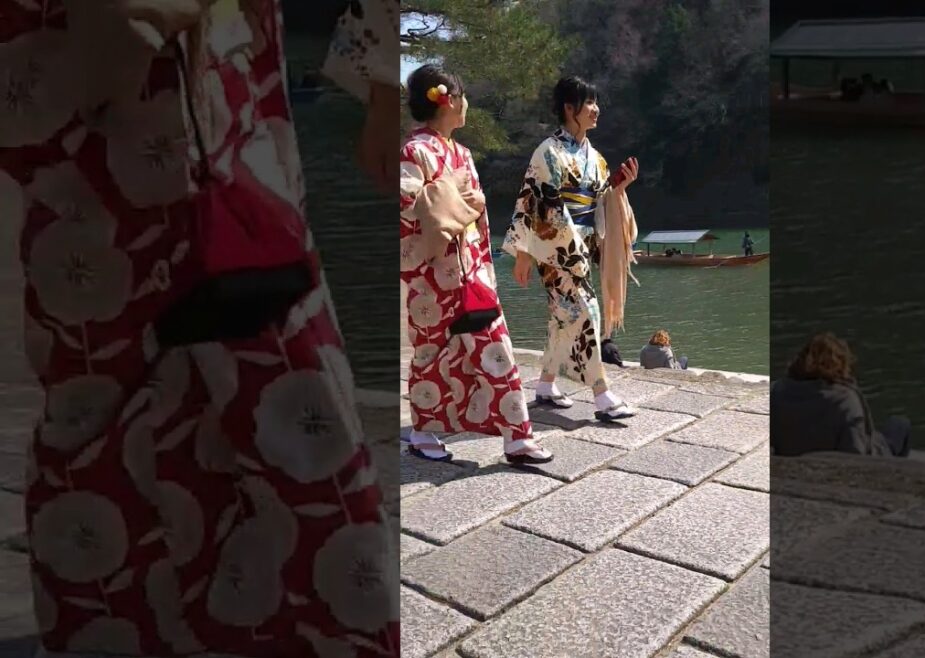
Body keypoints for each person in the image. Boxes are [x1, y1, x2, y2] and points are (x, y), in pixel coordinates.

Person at [0, 1, 397, 655]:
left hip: (205, 73)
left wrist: (386, 83)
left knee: (267, 352)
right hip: (73, 60)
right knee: (98, 366)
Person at [396, 65, 552, 465]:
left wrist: (484, 265)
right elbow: (407, 208)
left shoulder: (460, 153)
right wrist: (460, 200)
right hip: (430, 277)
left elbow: (475, 219)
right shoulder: (413, 152)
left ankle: (517, 437)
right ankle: (422, 432)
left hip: (470, 272)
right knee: (432, 356)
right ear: (447, 100)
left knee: (495, 347)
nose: (467, 104)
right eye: (463, 96)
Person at [503, 76, 639, 421]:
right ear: (569, 108)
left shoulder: (596, 157)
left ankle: (546, 384)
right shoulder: (547, 152)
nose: (596, 110)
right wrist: (524, 252)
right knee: (587, 312)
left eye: (595, 103)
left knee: (562, 320)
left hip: (581, 244)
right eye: (588, 103)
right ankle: (602, 394)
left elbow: (603, 199)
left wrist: (619, 188)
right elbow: (532, 202)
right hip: (556, 249)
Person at [773, 333, 910, 458]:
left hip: (795, 456)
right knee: (900, 423)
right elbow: (856, 451)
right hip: (859, 458)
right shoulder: (845, 400)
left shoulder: (777, 392)